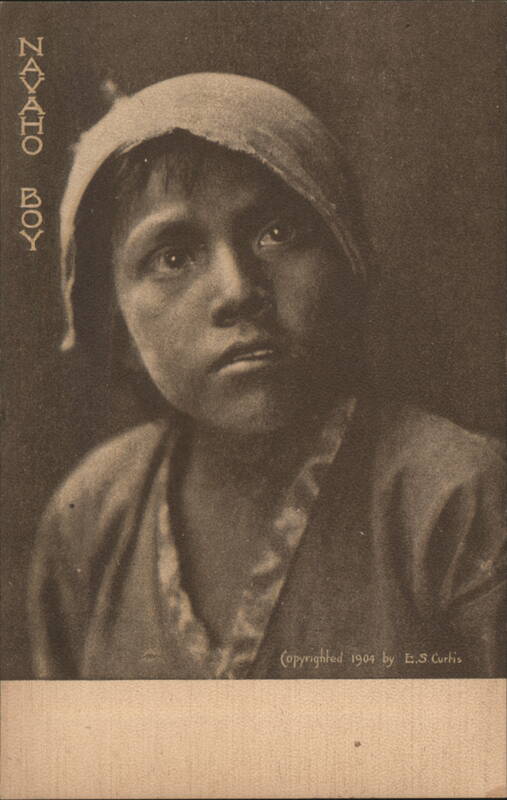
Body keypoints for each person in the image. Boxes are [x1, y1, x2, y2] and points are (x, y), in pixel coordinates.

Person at [28, 73, 505, 679]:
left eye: (277, 233)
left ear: (348, 257)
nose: (237, 290)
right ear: (117, 325)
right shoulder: (91, 515)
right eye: (173, 257)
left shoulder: (454, 502)